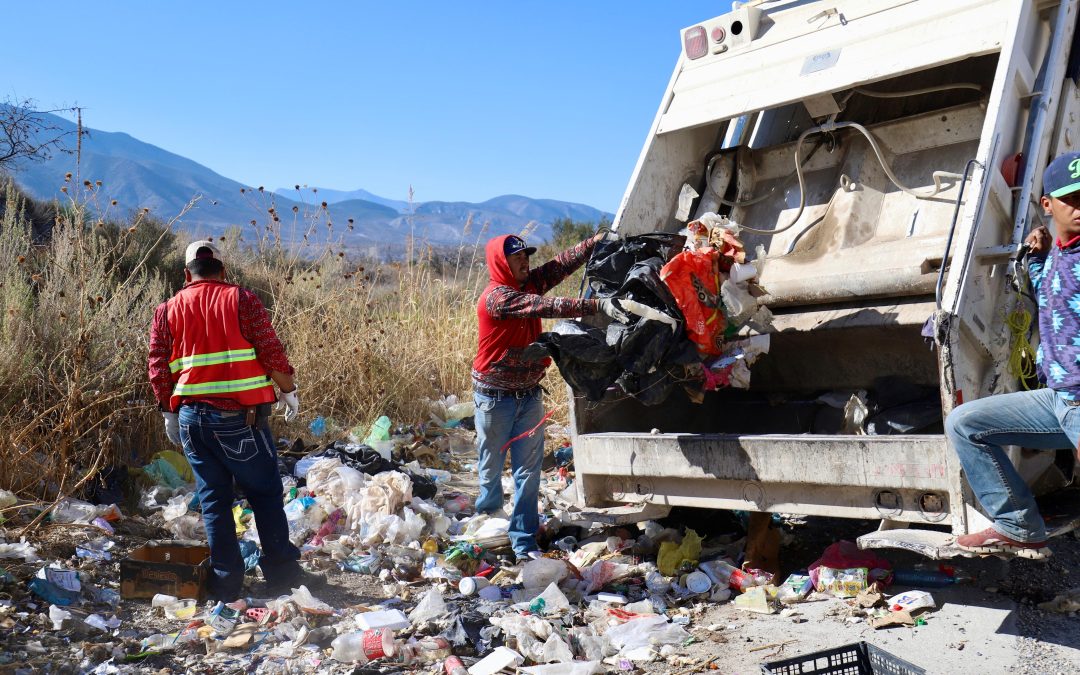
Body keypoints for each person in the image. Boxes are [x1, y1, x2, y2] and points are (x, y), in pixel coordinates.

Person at [148, 239, 309, 600]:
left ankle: (227, 583)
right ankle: (282, 574)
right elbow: (270, 349)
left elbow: (158, 367)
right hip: (239, 419)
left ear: (186, 273)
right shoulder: (242, 299)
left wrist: (168, 412)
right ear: (223, 270)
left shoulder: (167, 310)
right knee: (265, 493)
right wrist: (287, 388)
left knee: (213, 500)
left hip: (191, 420)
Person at [945, 151, 1080, 559]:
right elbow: (1048, 292)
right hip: (1058, 399)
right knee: (965, 423)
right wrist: (1036, 255)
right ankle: (1018, 523)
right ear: (1048, 204)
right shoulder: (1059, 252)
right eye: (1071, 198)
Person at [473, 233, 628, 561]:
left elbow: (558, 268)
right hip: (494, 397)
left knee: (527, 472)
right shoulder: (497, 297)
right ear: (501, 262)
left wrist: (592, 244)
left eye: (526, 256)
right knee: (491, 464)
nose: (524, 262)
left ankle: (523, 542)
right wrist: (597, 305)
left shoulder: (527, 284)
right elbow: (546, 305)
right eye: (517, 258)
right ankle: (488, 517)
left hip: (528, 396)